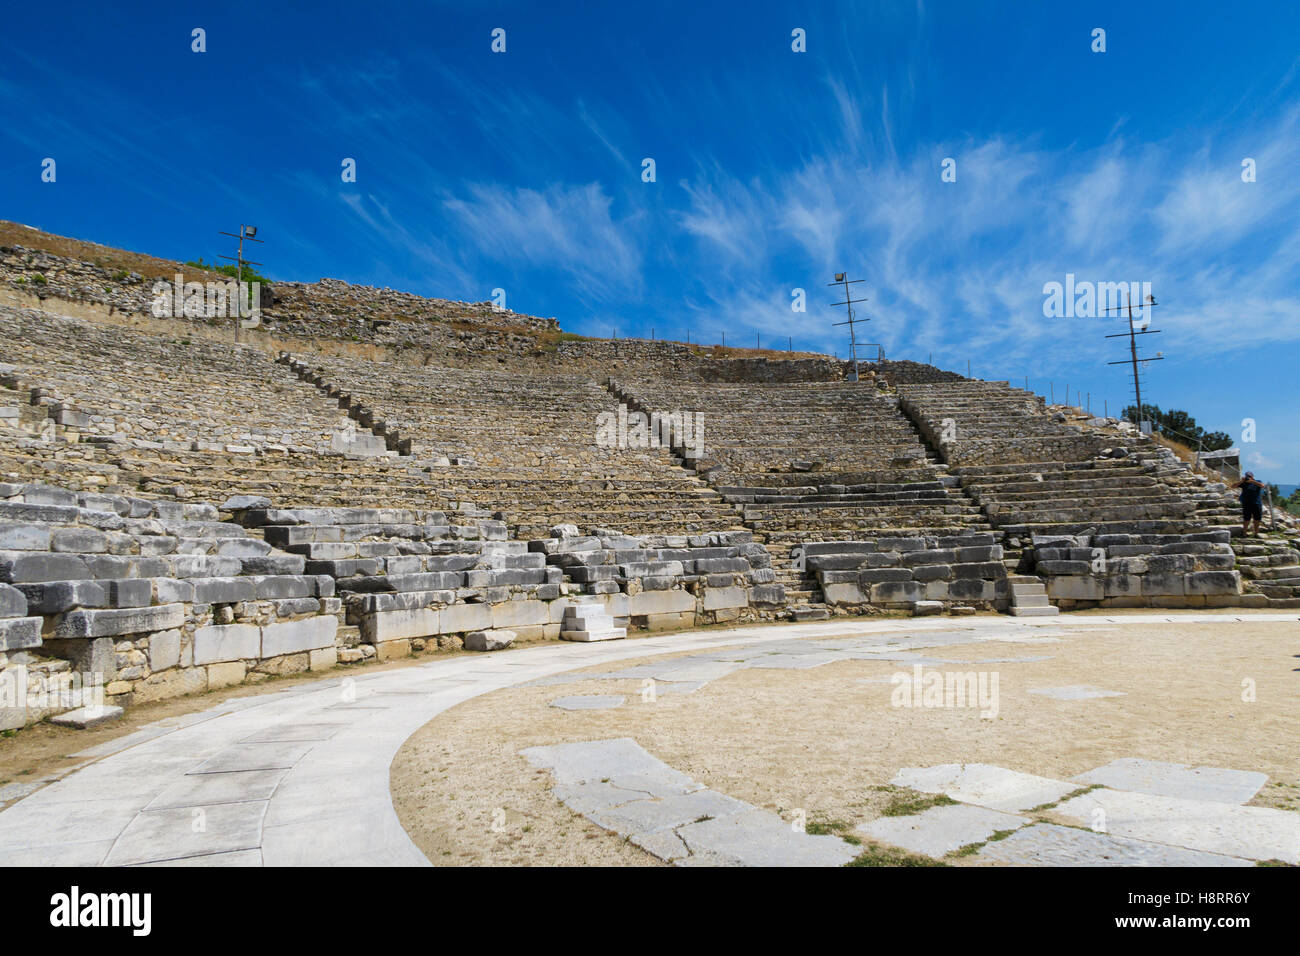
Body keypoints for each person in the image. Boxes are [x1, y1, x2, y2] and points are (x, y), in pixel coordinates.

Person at [1231, 471, 1266, 536]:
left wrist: (1252, 481)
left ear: (1253, 476)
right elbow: (1233, 486)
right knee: (1246, 518)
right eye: (1247, 476)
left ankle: (1256, 533)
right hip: (1246, 503)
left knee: (1257, 519)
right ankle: (1244, 533)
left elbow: (1262, 485)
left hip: (1256, 503)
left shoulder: (1257, 481)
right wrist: (1241, 481)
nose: (1248, 477)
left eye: (1250, 476)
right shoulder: (1244, 483)